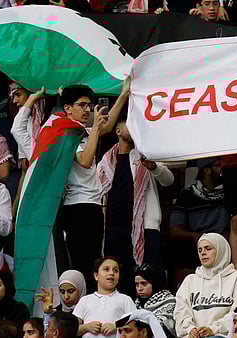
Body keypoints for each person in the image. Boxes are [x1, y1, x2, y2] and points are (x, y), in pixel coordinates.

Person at [58, 83, 128, 292]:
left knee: (94, 260)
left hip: (91, 205)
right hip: (78, 206)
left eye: (89, 105)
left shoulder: (83, 131)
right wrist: (96, 127)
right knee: (85, 264)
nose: (87, 109)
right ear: (68, 108)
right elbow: (85, 160)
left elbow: (107, 126)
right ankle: (83, 305)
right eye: (82, 105)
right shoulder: (66, 133)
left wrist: (123, 94)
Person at [97, 117, 172, 287]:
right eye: (129, 124)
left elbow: (168, 180)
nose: (134, 127)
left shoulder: (146, 155)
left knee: (150, 277)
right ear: (118, 131)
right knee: (119, 279)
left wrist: (154, 167)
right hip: (113, 228)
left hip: (144, 228)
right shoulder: (107, 160)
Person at [174, 233, 237, 338]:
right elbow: (180, 311)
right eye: (200, 250)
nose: (203, 253)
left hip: (223, 335)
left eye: (208, 248)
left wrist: (214, 329)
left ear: (221, 250)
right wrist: (190, 329)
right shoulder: (190, 280)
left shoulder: (236, 278)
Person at [169, 157, 228, 273]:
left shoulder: (229, 193)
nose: (222, 169)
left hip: (223, 241)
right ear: (207, 170)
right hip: (197, 242)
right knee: (176, 250)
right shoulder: (187, 195)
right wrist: (195, 236)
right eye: (218, 165)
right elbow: (175, 230)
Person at [74, 257, 136, 338]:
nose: (111, 273)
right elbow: (72, 330)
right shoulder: (85, 300)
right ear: (96, 275)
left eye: (115, 270)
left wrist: (117, 326)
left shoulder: (125, 300)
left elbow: (135, 325)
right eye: (106, 269)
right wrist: (86, 327)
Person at [132, 264, 175, 336]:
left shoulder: (169, 301)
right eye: (137, 284)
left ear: (154, 283)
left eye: (144, 283)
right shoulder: (136, 304)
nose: (140, 288)